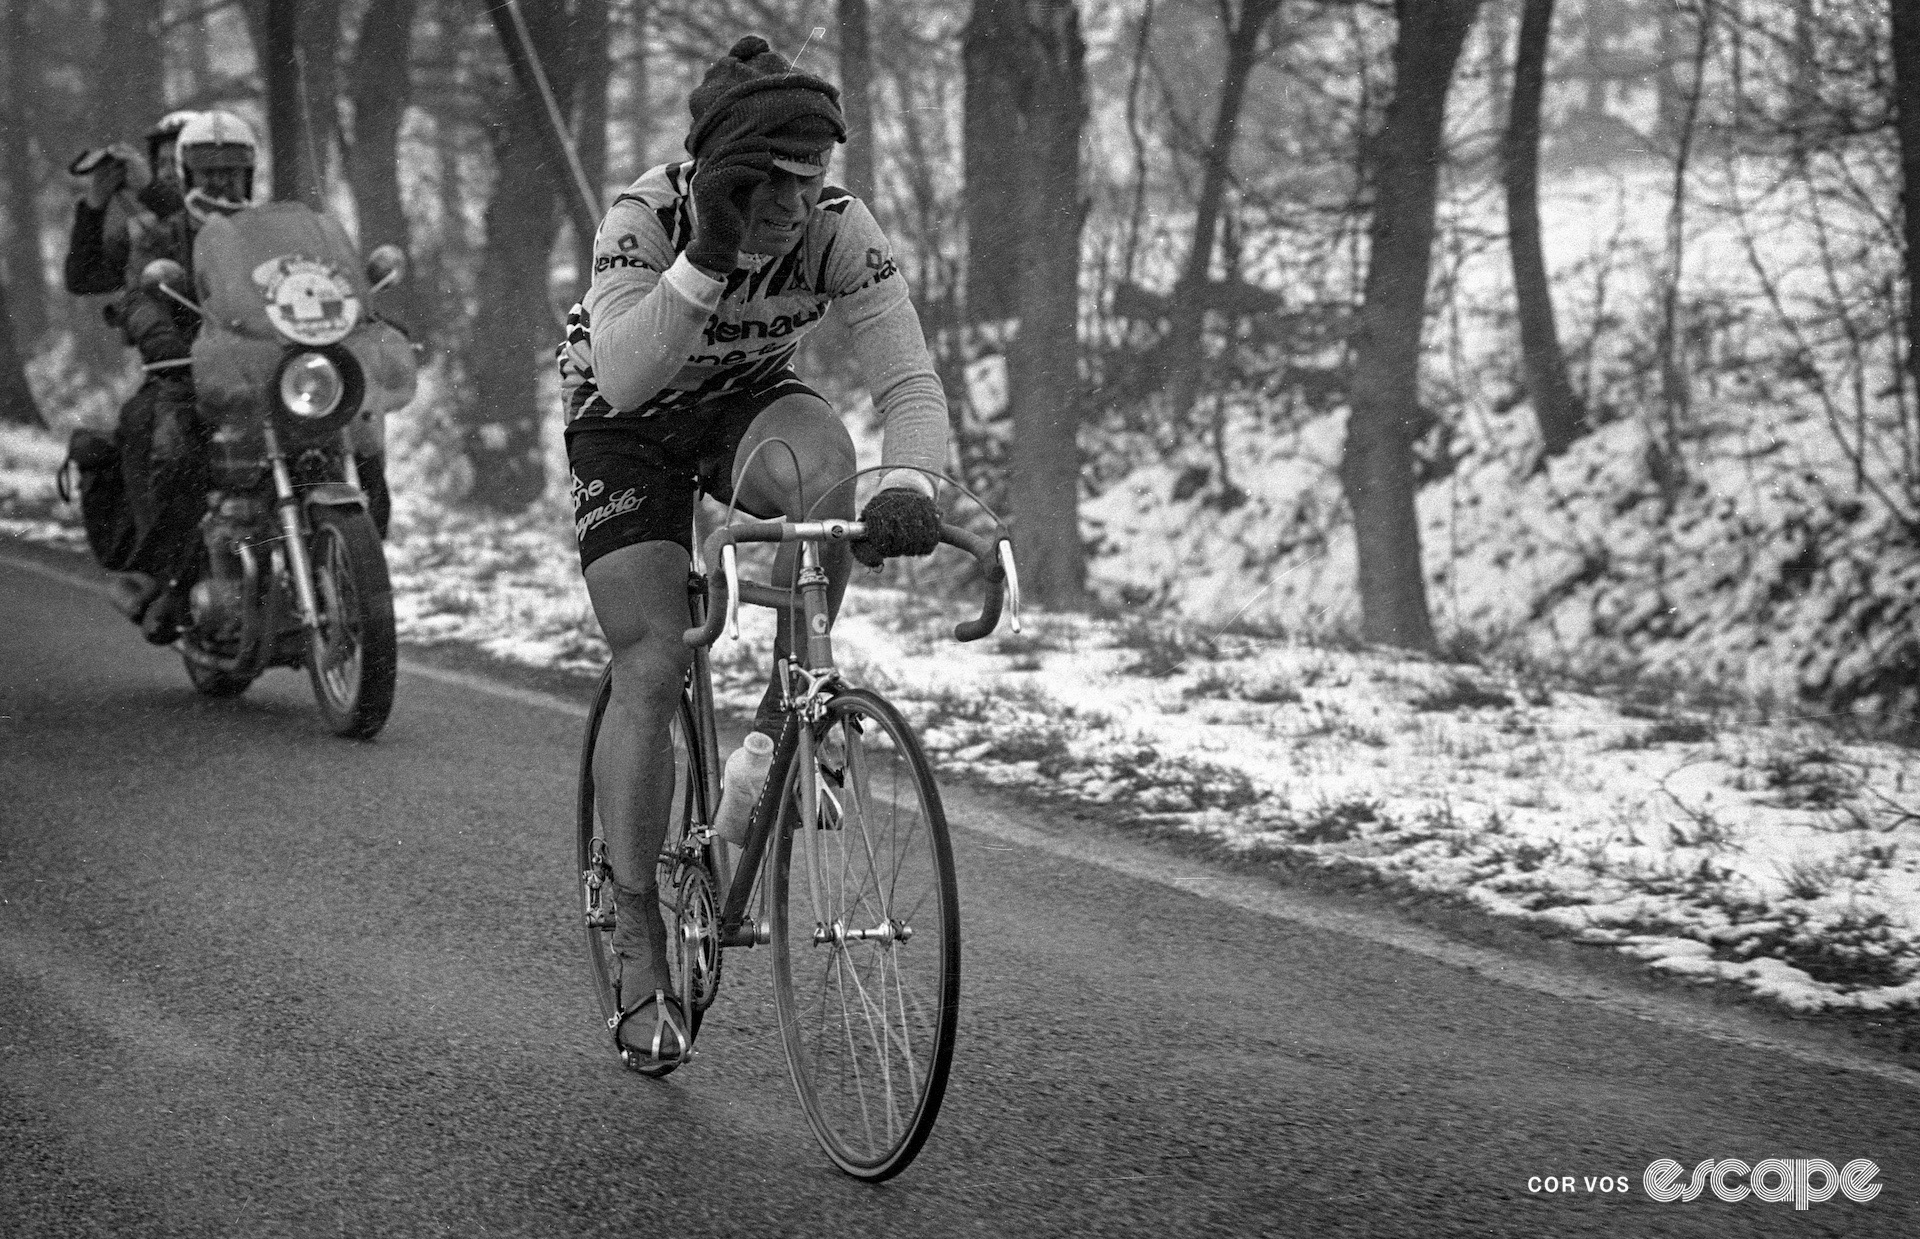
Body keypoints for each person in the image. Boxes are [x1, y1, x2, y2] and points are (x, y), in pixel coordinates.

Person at [556, 34, 950, 1066]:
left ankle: (792, 712)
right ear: (716, 168)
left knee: (832, 473)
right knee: (652, 659)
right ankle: (638, 924)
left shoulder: (835, 227)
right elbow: (631, 376)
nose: (789, 207)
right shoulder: (646, 219)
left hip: (742, 403)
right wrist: (707, 259)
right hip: (625, 415)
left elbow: (907, 382)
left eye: (809, 182)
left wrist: (908, 487)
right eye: (766, 183)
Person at [102, 109, 258, 636]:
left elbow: (311, 281)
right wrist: (157, 332)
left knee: (349, 429)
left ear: (250, 174)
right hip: (189, 371)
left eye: (232, 169)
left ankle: (362, 550)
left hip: (266, 371)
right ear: (188, 174)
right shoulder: (163, 234)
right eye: (209, 169)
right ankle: (163, 578)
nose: (221, 179)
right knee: (173, 446)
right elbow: (138, 296)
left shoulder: (267, 230)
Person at [62, 110, 196, 298]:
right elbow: (83, 278)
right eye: (161, 163)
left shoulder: (232, 219)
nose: (166, 173)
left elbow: (196, 230)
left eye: (177, 163)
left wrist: (151, 189)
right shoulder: (145, 230)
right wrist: (94, 207)